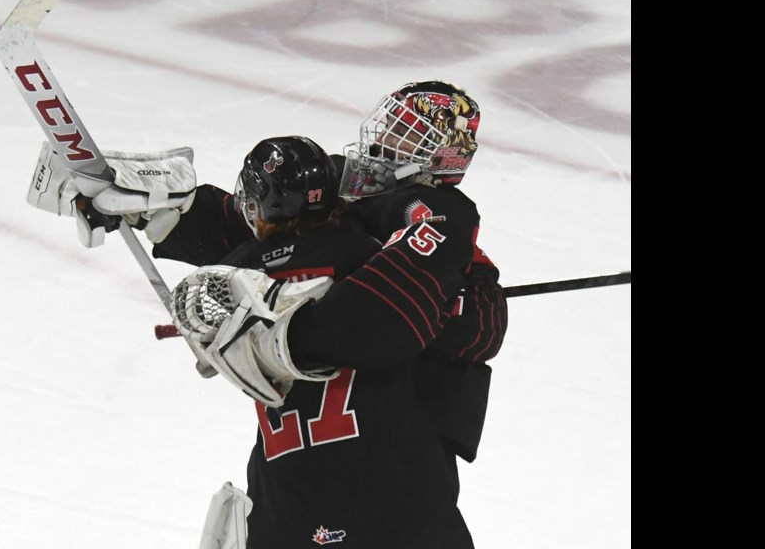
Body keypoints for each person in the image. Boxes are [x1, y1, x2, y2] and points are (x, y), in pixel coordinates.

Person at [26, 80, 507, 547]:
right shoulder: (341, 200)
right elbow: (261, 225)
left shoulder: (432, 210)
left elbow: (396, 321)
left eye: (406, 134)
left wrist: (278, 338)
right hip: (352, 495)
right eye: (388, 126)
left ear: (442, 157)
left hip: (345, 491)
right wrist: (163, 209)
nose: (383, 141)